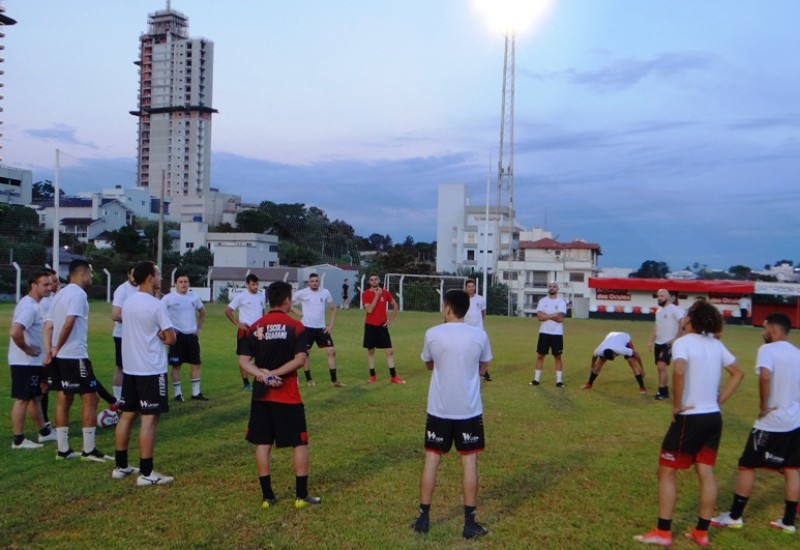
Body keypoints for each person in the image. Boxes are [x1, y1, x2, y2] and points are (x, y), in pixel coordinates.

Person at [634, 300, 744, 547]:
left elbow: (679, 370)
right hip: (713, 419)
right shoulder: (716, 344)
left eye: (686, 316)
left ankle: (663, 533)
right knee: (705, 472)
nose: (682, 319)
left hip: (691, 418)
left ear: (692, 320)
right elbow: (738, 372)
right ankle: (701, 532)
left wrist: (676, 405)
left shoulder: (683, 343)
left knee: (666, 470)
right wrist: (719, 400)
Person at [413, 289, 493, 539]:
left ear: (448, 309)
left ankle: (424, 519)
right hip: (468, 410)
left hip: (439, 409)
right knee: (469, 462)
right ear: (467, 309)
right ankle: (469, 523)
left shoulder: (433, 333)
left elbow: (428, 363)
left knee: (431, 460)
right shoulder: (479, 335)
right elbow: (483, 366)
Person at [711, 312, 800, 534]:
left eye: (764, 327)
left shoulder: (767, 350)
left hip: (771, 422)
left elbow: (765, 376)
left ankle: (734, 516)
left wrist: (763, 407)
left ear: (774, 329)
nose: (763, 332)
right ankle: (788, 521)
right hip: (795, 421)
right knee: (791, 468)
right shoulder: (797, 354)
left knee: (747, 465)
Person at [238, 281, 321, 509]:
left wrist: (263, 374)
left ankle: (267, 496)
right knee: (299, 443)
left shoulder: (254, 327)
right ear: (287, 300)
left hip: (261, 396)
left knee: (263, 443)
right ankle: (301, 495)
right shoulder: (296, 326)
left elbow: (243, 362)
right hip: (288, 396)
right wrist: (275, 374)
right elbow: (300, 360)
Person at [113, 261, 177, 486]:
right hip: (151, 369)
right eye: (158, 274)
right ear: (150, 278)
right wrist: (161, 335)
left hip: (131, 368)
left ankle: (121, 466)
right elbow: (171, 338)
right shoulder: (155, 305)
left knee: (127, 415)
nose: (160, 278)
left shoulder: (129, 302)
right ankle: (147, 473)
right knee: (149, 420)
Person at [43, 258, 112, 462]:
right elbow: (68, 323)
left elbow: (48, 326)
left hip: (58, 357)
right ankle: (88, 450)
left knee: (64, 399)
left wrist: (50, 351)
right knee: (91, 398)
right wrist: (58, 347)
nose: (91, 277)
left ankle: (63, 450)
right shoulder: (79, 294)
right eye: (90, 273)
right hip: (73, 355)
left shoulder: (59, 294)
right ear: (82, 274)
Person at [9, 270, 56, 449]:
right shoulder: (28, 307)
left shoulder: (36, 305)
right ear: (33, 286)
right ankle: (19, 440)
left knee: (35, 397)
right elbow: (15, 331)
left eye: (50, 284)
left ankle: (44, 432)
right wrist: (26, 349)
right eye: (45, 284)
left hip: (33, 362)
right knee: (22, 399)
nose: (49, 287)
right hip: (24, 362)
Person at [162, 270, 207, 401]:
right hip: (177, 337)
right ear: (175, 284)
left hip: (191, 336)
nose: (183, 284)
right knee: (176, 365)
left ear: (189, 283)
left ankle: (196, 393)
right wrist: (168, 331)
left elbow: (202, 312)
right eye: (180, 282)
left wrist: (199, 328)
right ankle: (177, 394)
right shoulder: (168, 298)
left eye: (185, 282)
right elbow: (160, 315)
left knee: (196, 363)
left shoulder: (193, 297)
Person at [291, 273, 342, 388]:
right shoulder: (302, 293)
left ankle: (334, 381)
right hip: (307, 328)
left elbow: (333, 308)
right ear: (309, 282)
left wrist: (331, 325)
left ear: (319, 282)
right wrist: (298, 312)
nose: (314, 283)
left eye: (316, 281)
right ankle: (309, 379)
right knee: (306, 354)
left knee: (331, 351)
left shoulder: (325, 292)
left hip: (321, 328)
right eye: (312, 281)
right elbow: (288, 303)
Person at [225, 274, 265, 391]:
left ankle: (260, 378)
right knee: (244, 357)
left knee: (261, 356)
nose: (256, 286)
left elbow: (262, 312)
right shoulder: (241, 296)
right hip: (246, 330)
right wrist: (237, 323)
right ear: (247, 284)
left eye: (257, 284)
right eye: (253, 284)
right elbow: (228, 310)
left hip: (259, 330)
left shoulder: (262, 296)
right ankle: (246, 382)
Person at [362, 273, 404, 384]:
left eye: (376, 279)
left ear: (379, 280)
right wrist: (376, 295)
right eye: (372, 280)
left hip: (382, 325)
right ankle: (372, 376)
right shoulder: (365, 294)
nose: (374, 281)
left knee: (389, 351)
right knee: (370, 351)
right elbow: (369, 310)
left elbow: (395, 305)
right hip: (370, 325)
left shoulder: (385, 292)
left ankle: (393, 376)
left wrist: (390, 320)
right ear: (369, 282)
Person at [647, 289, 685, 401]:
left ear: (668, 297)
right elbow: (656, 327)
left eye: (662, 295)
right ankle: (664, 391)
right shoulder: (658, 311)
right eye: (658, 296)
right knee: (660, 368)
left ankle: (661, 391)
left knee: (661, 365)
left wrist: (676, 339)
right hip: (659, 343)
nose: (659, 298)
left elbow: (682, 322)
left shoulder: (674, 309)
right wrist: (651, 341)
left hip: (668, 343)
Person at [581, 332, 647, 394]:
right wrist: (592, 367)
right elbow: (594, 357)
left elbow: (636, 354)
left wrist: (642, 369)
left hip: (624, 338)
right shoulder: (599, 350)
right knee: (598, 364)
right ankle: (589, 384)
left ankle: (642, 387)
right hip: (611, 336)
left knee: (631, 361)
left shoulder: (621, 350)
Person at [531, 282, 568, 387]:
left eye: (554, 286)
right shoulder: (542, 301)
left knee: (557, 356)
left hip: (557, 333)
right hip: (544, 332)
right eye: (550, 286)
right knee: (540, 356)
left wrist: (545, 315)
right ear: (548, 288)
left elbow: (560, 319)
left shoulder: (561, 302)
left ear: (557, 289)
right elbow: (539, 317)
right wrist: (553, 315)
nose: (552, 288)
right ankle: (536, 380)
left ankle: (559, 381)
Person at [110, 264, 137, 401]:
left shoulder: (142, 289)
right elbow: (115, 315)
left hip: (137, 336)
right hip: (122, 335)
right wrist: (136, 319)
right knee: (121, 367)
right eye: (133, 274)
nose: (135, 277)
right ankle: (118, 399)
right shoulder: (122, 290)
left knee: (135, 366)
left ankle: (132, 396)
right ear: (128, 274)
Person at [464, 279, 492, 382]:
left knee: (480, 351)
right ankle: (468, 371)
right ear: (466, 288)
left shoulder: (480, 299)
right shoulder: (463, 299)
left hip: (478, 330)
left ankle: (484, 372)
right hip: (466, 330)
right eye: (469, 286)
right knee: (467, 351)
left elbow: (483, 313)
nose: (471, 288)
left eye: (473, 286)